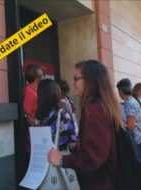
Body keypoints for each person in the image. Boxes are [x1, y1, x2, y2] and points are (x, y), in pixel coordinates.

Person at [48, 60, 122, 190]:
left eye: (76, 79)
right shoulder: (102, 106)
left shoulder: (94, 110)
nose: (73, 83)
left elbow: (92, 159)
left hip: (99, 183)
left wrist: (61, 159)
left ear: (90, 81)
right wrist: (80, 145)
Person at [35, 79, 77, 151]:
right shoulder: (61, 115)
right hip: (60, 158)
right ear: (56, 93)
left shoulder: (38, 117)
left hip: (43, 158)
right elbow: (72, 143)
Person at [117, 78, 141, 161]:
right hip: (140, 139)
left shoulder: (128, 104)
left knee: (138, 169)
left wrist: (119, 121)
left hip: (135, 141)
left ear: (120, 91)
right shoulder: (133, 100)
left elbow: (130, 126)